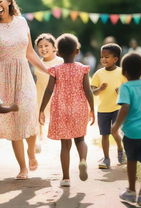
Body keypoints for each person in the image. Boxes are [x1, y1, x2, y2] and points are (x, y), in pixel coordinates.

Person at [0, 0, 48, 180]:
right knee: (15, 121)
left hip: (23, 74)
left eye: (0, 1)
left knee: (28, 111)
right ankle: (23, 167)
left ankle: (32, 152)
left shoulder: (21, 21)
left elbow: (29, 53)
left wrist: (48, 70)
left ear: (9, 1)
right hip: (2, 77)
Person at [39, 33, 95, 187]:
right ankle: (82, 160)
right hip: (79, 108)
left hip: (61, 109)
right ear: (77, 51)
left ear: (58, 52)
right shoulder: (83, 69)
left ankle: (65, 178)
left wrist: (41, 109)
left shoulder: (55, 69)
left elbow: (49, 90)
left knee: (65, 145)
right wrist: (92, 109)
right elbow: (88, 90)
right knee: (80, 139)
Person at [112, 53, 141, 207]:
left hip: (132, 133)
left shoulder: (125, 86)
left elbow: (125, 106)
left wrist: (116, 125)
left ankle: (131, 191)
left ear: (124, 71)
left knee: (131, 161)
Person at [91, 43, 126, 169]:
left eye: (107, 57)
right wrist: (100, 89)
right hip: (103, 109)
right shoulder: (98, 74)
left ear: (115, 59)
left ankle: (120, 151)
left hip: (117, 108)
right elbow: (93, 92)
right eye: (102, 57)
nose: (103, 59)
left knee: (114, 131)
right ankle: (106, 158)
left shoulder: (122, 72)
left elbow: (128, 88)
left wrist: (121, 91)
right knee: (104, 134)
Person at [34, 33, 63, 152]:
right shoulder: (38, 62)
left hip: (56, 94)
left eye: (46, 45)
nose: (43, 48)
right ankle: (38, 139)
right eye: (40, 46)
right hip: (40, 93)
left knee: (58, 118)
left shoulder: (60, 61)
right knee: (37, 117)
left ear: (54, 47)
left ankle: (63, 139)